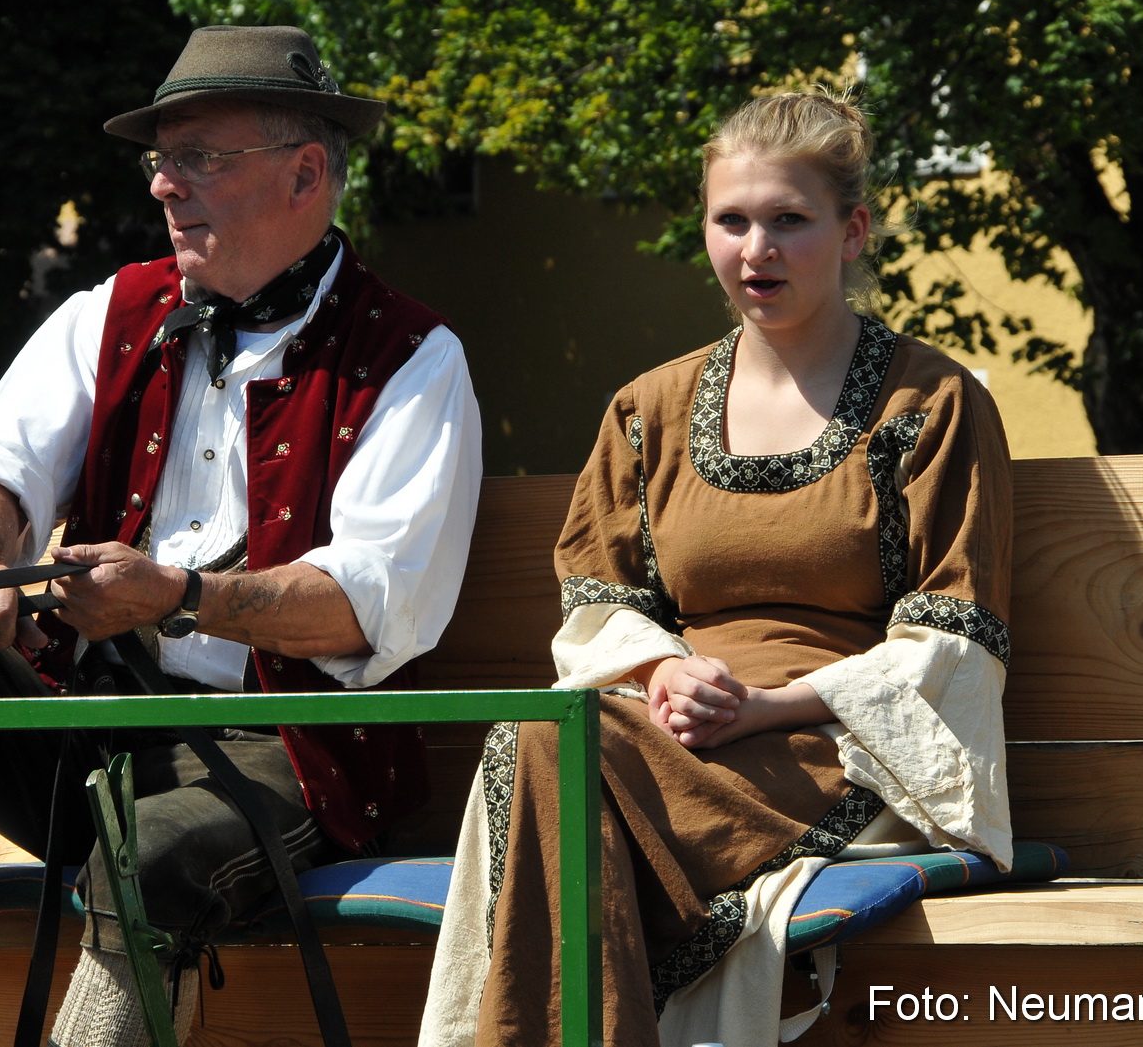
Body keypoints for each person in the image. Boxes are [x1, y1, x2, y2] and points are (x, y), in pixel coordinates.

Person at [0, 25, 483, 1047]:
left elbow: (369, 605)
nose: (167, 187)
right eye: (160, 161)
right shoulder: (110, 311)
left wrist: (176, 597)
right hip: (82, 724)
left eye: (201, 159)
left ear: (307, 173)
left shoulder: (412, 358)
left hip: (284, 745)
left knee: (147, 859)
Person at [418, 89, 1012, 1047]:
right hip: (665, 734)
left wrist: (769, 706)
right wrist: (663, 671)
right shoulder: (646, 408)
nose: (755, 249)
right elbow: (597, 604)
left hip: (836, 748)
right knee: (545, 738)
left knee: (555, 754)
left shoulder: (930, 401)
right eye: (730, 221)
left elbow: (954, 637)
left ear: (853, 230)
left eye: (789, 221)